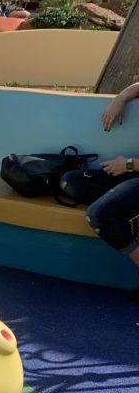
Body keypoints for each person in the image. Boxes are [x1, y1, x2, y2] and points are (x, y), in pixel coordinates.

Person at [61, 81, 139, 298]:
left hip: (133, 169)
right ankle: (124, 210)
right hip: (133, 174)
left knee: (99, 214)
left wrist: (129, 164)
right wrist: (120, 98)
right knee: (72, 181)